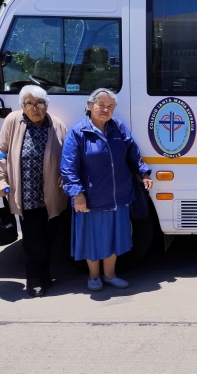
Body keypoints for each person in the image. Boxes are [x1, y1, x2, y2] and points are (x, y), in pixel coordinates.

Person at [61, 88, 152, 291]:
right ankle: (94, 276)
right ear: (89, 106)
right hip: (91, 198)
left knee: (114, 237)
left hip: (118, 196)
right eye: (101, 104)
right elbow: (68, 167)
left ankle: (110, 275)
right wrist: (77, 194)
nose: (105, 109)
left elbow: (133, 153)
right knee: (93, 239)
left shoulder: (118, 127)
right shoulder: (78, 132)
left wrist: (144, 173)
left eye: (110, 106)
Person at [0, 85, 69, 297]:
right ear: (22, 106)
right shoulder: (12, 121)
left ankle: (45, 276)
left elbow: (68, 155)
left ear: (47, 104)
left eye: (40, 103)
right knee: (32, 239)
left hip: (52, 194)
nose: (35, 108)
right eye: (29, 104)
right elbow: (0, 151)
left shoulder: (57, 124)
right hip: (26, 194)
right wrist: (0, 179)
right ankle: (34, 279)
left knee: (49, 237)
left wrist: (66, 175)